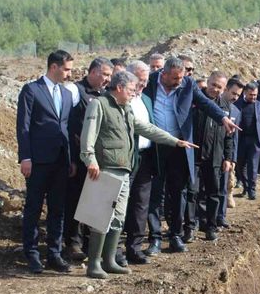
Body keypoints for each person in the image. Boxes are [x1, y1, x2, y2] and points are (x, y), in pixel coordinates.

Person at [79, 71, 197, 279]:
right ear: (119, 88)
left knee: (118, 218)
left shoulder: (126, 109)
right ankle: (94, 263)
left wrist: (174, 141)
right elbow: (88, 135)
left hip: (124, 169)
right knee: (100, 218)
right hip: (105, 169)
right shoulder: (99, 104)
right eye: (132, 89)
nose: (135, 93)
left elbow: (145, 128)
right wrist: (90, 160)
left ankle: (109, 260)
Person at [143, 57, 240, 254]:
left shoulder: (187, 84)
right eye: (175, 78)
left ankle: (176, 235)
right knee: (154, 194)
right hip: (155, 147)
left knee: (179, 193)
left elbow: (205, 103)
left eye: (182, 77)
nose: (180, 81)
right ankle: (154, 238)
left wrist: (222, 118)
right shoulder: (150, 82)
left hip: (180, 146)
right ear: (164, 74)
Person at [16, 50, 75, 274]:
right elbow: (24, 126)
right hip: (39, 161)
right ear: (54, 67)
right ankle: (31, 254)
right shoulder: (32, 90)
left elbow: (65, 128)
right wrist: (26, 157)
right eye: (67, 69)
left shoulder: (66, 95)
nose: (69, 74)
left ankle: (54, 253)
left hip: (61, 161)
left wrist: (70, 159)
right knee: (33, 207)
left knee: (57, 209)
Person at [65, 57, 114, 261]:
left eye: (110, 76)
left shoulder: (105, 95)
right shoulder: (76, 92)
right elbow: (67, 125)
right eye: (105, 74)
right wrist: (71, 159)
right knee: (75, 199)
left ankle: (89, 243)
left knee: (93, 201)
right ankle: (72, 242)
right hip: (79, 157)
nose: (107, 79)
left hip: (98, 159)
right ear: (93, 72)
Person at [189, 71, 234, 241]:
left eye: (219, 87)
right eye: (213, 85)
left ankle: (211, 226)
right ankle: (191, 226)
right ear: (208, 82)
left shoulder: (225, 105)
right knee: (192, 192)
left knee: (213, 193)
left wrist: (228, 158)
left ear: (224, 89)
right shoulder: (195, 100)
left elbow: (230, 136)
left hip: (215, 157)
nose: (215, 89)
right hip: (194, 156)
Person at [123, 60, 155, 264]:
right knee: (120, 204)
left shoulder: (147, 101)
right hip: (126, 159)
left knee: (140, 204)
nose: (143, 85)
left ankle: (135, 248)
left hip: (145, 158)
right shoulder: (121, 100)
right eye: (140, 81)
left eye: (146, 81)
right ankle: (115, 250)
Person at [234, 83, 260, 200]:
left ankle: (252, 190)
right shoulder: (237, 105)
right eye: (251, 95)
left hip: (255, 140)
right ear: (244, 93)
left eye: (255, 95)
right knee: (240, 166)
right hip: (240, 140)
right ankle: (246, 186)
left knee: (252, 166)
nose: (253, 97)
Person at [218, 78, 243, 225]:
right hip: (211, 152)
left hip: (226, 156)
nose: (235, 97)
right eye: (233, 93)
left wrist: (232, 158)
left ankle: (221, 216)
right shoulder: (214, 105)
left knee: (224, 187)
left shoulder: (236, 111)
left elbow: (234, 137)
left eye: (238, 95)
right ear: (226, 89)